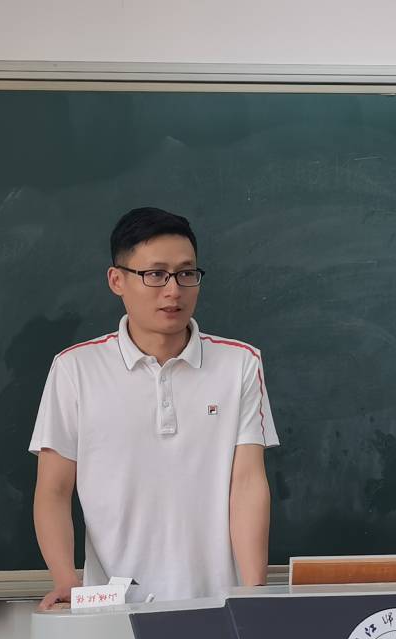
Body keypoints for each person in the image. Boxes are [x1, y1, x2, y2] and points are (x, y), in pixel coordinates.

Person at [29, 207, 278, 608]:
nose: (173, 290)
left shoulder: (239, 364)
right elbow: (54, 490)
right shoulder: (75, 369)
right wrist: (66, 580)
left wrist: (253, 594)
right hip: (113, 605)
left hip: (218, 602)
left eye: (186, 273)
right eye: (155, 274)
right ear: (117, 280)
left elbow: (247, 484)